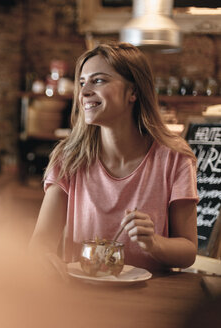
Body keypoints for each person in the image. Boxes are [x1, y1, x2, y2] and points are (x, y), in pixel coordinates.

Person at [30, 42, 198, 272]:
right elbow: (40, 245)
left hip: (150, 299)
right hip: (83, 297)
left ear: (133, 92)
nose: (84, 91)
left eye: (98, 80)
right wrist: (44, 259)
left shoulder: (174, 158)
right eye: (82, 83)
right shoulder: (68, 159)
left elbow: (188, 251)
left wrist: (154, 243)